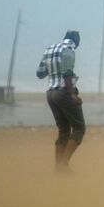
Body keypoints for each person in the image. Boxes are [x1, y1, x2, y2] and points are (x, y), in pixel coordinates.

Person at [36, 30, 85, 173]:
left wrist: (53, 68)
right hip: (63, 92)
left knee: (63, 130)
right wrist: (72, 95)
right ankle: (64, 163)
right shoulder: (69, 49)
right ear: (76, 40)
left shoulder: (49, 49)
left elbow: (40, 73)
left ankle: (58, 168)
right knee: (79, 128)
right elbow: (67, 72)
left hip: (50, 94)